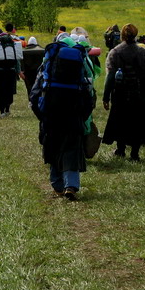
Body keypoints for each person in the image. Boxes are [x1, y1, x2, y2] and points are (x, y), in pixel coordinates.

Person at [30, 32, 97, 200]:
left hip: (52, 114)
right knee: (72, 149)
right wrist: (83, 116)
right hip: (74, 114)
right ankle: (71, 186)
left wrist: (42, 116)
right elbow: (89, 97)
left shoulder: (48, 67)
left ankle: (58, 186)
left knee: (53, 147)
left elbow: (35, 95)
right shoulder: (78, 69)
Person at [101, 23, 145, 161]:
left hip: (120, 94)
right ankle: (135, 153)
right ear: (136, 34)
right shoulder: (143, 52)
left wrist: (106, 97)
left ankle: (120, 150)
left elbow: (110, 77)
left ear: (122, 35)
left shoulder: (115, 52)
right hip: (140, 93)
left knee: (121, 121)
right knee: (137, 123)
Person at [0, 23, 23, 117]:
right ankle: (7, 108)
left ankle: (2, 110)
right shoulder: (13, 43)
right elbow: (17, 60)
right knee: (9, 89)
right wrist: (18, 71)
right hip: (11, 70)